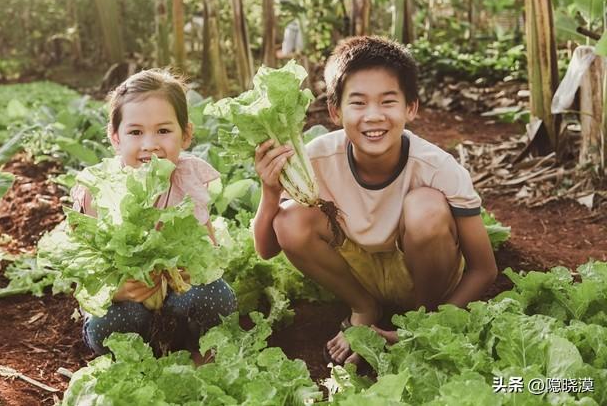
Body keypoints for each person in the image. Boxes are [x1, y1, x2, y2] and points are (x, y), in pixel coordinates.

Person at [252, 36, 498, 366]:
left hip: (424, 276)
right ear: (335, 111)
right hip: (360, 273)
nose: (373, 116)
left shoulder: (437, 167)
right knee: (290, 219)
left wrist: (431, 327)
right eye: (358, 103)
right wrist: (270, 192)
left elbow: (484, 269)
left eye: (387, 102)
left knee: (425, 207)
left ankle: (418, 321)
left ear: (411, 107)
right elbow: (268, 248)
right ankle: (364, 308)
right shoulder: (317, 159)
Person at [72, 68, 237, 357]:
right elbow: (83, 271)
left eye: (163, 130)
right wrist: (117, 289)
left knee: (218, 296)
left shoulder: (188, 180)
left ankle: (194, 346)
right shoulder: (97, 189)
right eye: (135, 132)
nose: (150, 145)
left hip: (176, 300)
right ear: (115, 138)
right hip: (129, 304)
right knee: (106, 323)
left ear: (185, 135)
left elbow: (209, 250)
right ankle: (141, 351)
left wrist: (192, 268)